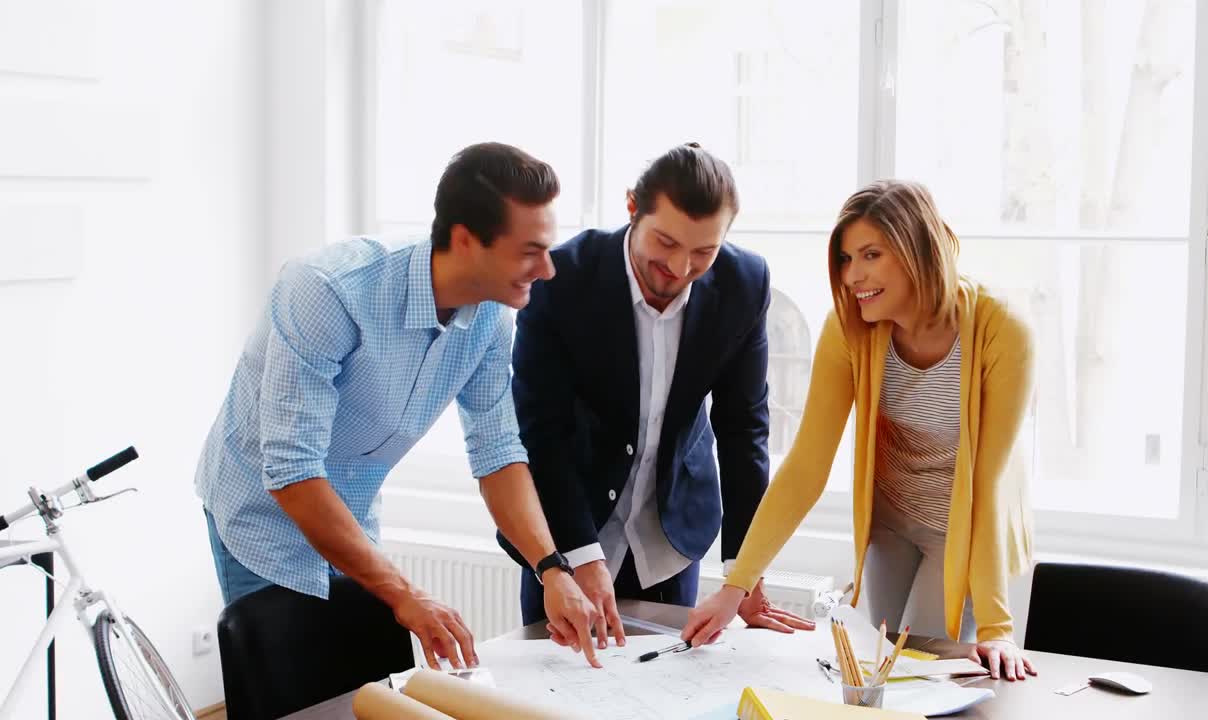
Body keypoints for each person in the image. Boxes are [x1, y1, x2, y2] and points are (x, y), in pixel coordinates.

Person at [196, 142, 604, 669]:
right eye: (529, 251)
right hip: (261, 513)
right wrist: (406, 594)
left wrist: (553, 570)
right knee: (291, 692)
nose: (547, 269)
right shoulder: (328, 291)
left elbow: (499, 452)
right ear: (465, 240)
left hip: (350, 505)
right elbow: (292, 471)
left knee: (363, 688)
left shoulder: (490, 319)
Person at [682, 180, 1038, 681]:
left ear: (919, 248)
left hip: (960, 527)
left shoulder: (1003, 328)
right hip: (890, 521)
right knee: (880, 671)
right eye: (847, 259)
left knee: (919, 671)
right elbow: (806, 466)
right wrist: (734, 586)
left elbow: (986, 487)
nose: (853, 276)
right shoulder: (850, 328)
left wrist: (998, 627)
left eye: (871, 254)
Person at [499, 143, 812, 649]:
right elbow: (540, 434)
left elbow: (743, 431)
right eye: (665, 242)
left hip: (670, 538)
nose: (680, 266)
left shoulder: (744, 284)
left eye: (703, 252)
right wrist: (580, 556)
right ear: (632, 208)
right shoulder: (561, 278)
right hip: (567, 533)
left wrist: (745, 572)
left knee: (667, 683)